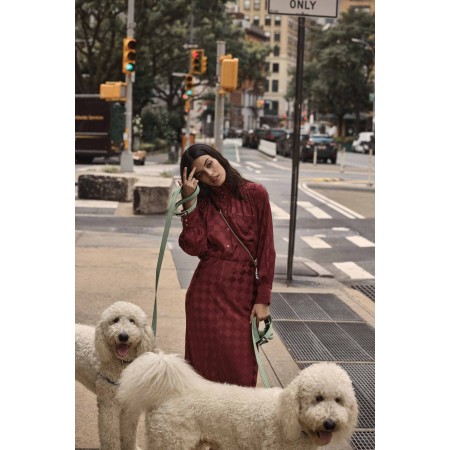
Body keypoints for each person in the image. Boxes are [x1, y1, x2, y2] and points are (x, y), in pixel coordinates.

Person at [178, 143, 275, 387]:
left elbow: (266, 249)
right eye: (200, 174)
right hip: (205, 295)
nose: (210, 174)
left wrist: (262, 298)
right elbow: (194, 247)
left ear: (218, 158)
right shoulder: (201, 202)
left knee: (241, 373)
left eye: (209, 164)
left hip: (242, 293)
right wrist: (189, 202)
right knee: (202, 375)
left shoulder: (255, 193)